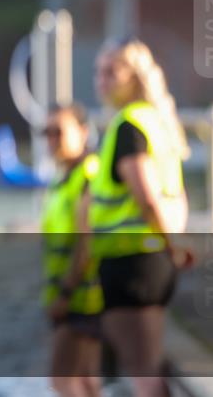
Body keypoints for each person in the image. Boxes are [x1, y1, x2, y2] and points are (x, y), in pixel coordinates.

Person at [83, 37, 193, 397]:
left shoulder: (129, 126)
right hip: (149, 259)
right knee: (146, 364)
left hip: (132, 262)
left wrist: (174, 245)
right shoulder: (156, 121)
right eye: (98, 72)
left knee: (143, 372)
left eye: (111, 71)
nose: (101, 80)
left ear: (135, 76)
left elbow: (147, 197)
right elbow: (174, 192)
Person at [40, 104, 102, 397]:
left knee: (62, 381)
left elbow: (86, 242)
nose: (51, 139)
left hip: (83, 298)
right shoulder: (62, 179)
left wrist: (66, 292)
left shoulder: (88, 175)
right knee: (85, 380)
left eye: (58, 132)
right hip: (75, 297)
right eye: (46, 133)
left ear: (84, 133)